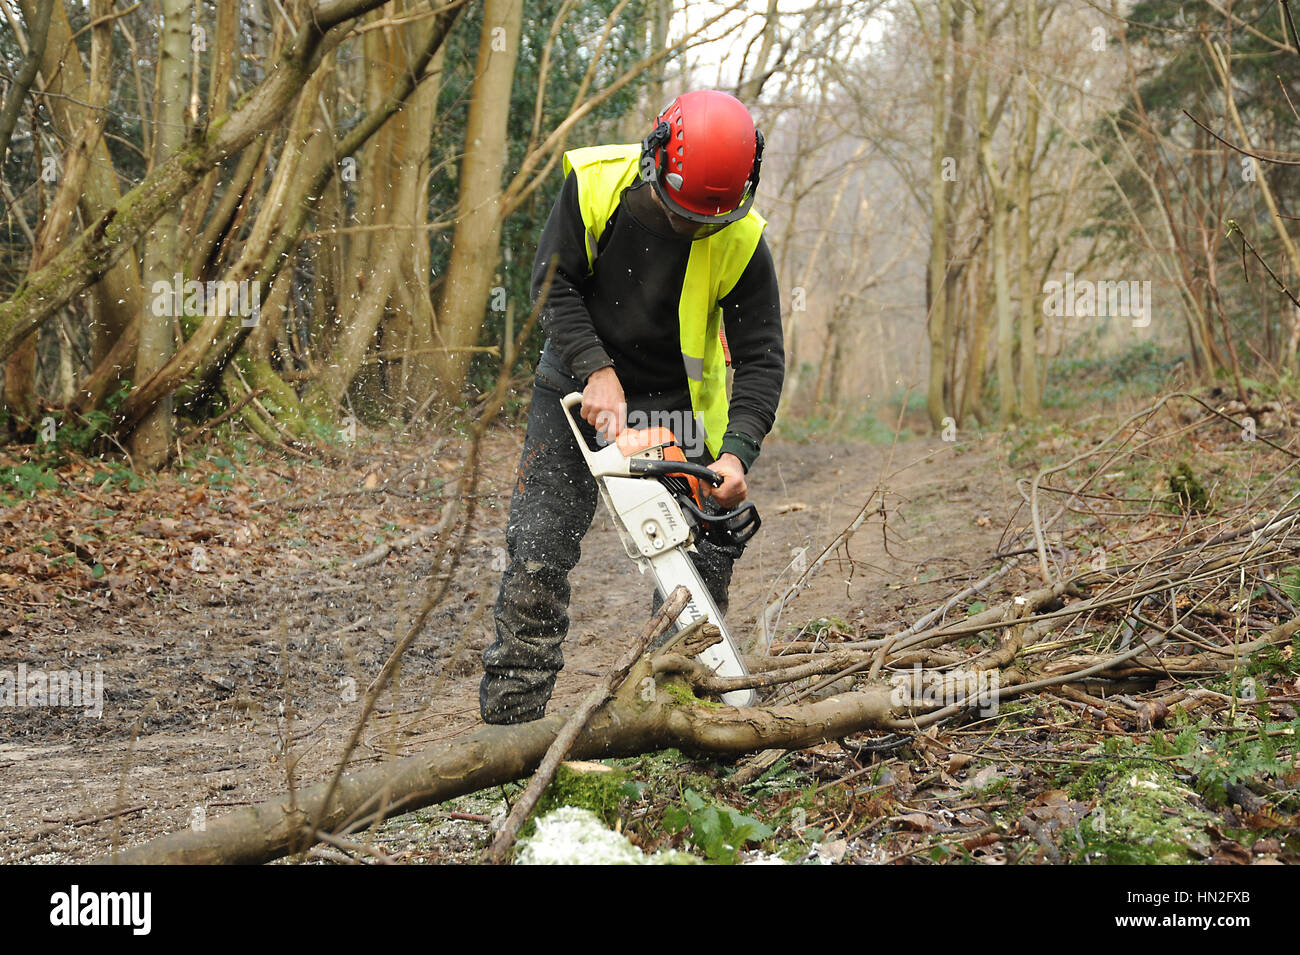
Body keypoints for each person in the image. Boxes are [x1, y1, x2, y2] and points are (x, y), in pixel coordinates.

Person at [479, 89, 785, 725]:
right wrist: (597, 369)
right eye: (683, 215)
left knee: (699, 564)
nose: (695, 228)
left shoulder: (744, 239)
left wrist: (737, 451)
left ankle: (673, 714)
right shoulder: (594, 186)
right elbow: (552, 283)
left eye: (708, 219)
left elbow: (759, 358)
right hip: (576, 390)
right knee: (539, 545)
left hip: (677, 407)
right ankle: (513, 722)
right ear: (655, 160)